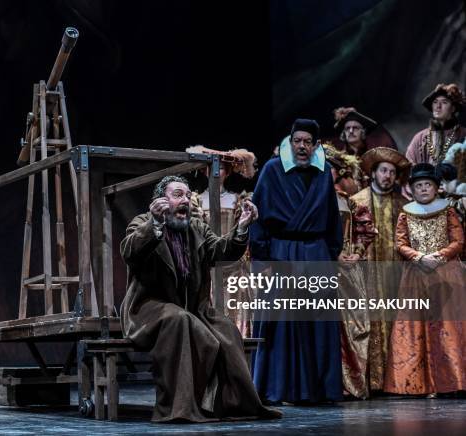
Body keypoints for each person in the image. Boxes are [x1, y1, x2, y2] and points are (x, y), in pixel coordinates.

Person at [120, 176, 281, 422]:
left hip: (194, 309)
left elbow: (221, 250)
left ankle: (233, 404)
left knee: (225, 327)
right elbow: (129, 250)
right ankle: (180, 408)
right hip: (149, 308)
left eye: (187, 195)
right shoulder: (143, 222)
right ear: (160, 201)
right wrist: (154, 223)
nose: (185, 200)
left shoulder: (196, 227)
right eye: (177, 195)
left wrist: (242, 227)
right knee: (180, 320)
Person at [250, 119, 343, 404]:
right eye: (297, 141)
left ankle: (317, 389)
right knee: (282, 322)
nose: (302, 146)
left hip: (315, 252)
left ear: (315, 145)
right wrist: (262, 254)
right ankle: (276, 388)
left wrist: (329, 254)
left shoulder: (324, 172)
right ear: (290, 143)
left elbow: (331, 219)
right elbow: (259, 214)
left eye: (307, 141)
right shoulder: (272, 169)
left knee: (317, 322)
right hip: (282, 251)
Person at [384, 163, 466, 396]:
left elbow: (458, 240)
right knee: (414, 326)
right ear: (412, 189)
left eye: (427, 185)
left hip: (446, 273)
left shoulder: (448, 210)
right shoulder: (405, 213)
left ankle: (451, 381)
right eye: (418, 186)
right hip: (416, 274)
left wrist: (439, 255)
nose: (423, 189)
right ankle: (416, 382)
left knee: (448, 325)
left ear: (436, 187)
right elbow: (400, 243)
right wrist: (419, 256)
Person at [350, 147, 410, 392]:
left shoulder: (404, 205)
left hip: (395, 274)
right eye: (383, 170)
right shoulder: (357, 201)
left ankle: (394, 380)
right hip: (367, 273)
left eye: (392, 172)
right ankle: (369, 379)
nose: (387, 176)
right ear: (373, 173)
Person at [186, 145, 257, 337]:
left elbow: (242, 236)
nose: (216, 173)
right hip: (207, 265)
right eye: (210, 168)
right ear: (203, 171)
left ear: (228, 172)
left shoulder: (237, 200)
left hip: (233, 267)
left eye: (221, 168)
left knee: (235, 318)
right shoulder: (196, 200)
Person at [325, 144, 377, 399]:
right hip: (322, 266)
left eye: (332, 169)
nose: (327, 172)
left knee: (354, 326)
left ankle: (352, 384)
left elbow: (366, 230)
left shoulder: (348, 201)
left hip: (348, 269)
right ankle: (326, 383)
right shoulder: (310, 199)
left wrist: (357, 252)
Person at [406, 83, 466, 165]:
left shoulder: (463, 134)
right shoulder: (420, 138)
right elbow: (408, 165)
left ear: (453, 108)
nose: (438, 106)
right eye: (435, 102)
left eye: (444, 102)